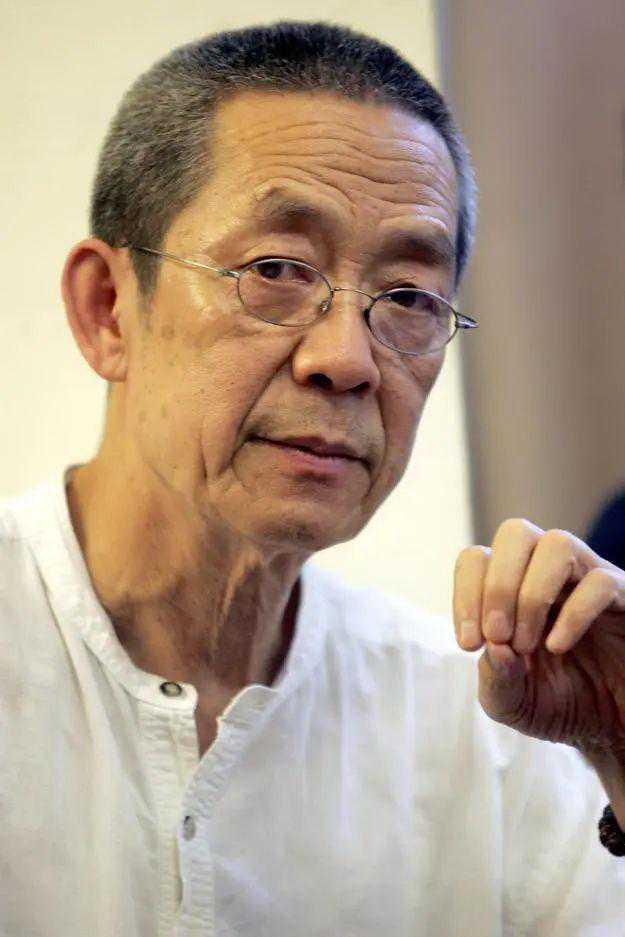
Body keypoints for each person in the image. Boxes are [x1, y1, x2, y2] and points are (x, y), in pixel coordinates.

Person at [2, 20, 625, 937]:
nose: (347, 359)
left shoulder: (483, 725)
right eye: (275, 270)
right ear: (108, 310)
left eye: (407, 298)